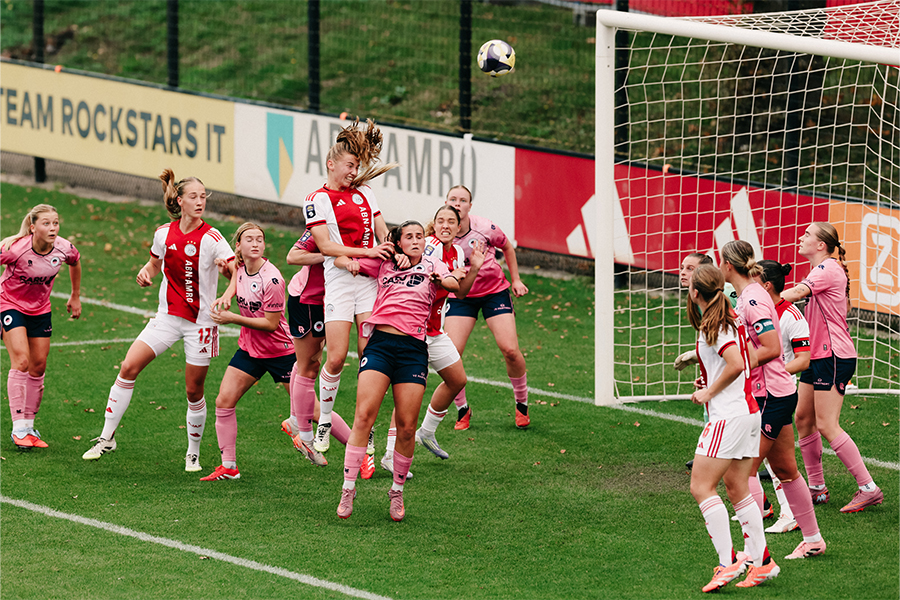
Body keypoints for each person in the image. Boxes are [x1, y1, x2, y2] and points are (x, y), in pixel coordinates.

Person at [82, 169, 235, 471]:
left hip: (201, 324)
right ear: (180, 200)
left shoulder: (213, 238)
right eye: (194, 196)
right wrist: (145, 273)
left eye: (203, 197)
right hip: (167, 317)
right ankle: (106, 437)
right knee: (128, 367)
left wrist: (227, 284)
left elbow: (235, 271)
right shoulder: (164, 233)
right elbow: (154, 263)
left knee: (194, 391)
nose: (200, 201)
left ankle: (193, 452)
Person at [335, 221, 460, 522]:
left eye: (420, 236)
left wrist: (441, 280)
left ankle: (397, 491)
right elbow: (340, 260)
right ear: (399, 242)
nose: (416, 241)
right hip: (380, 345)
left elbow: (455, 283)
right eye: (409, 237)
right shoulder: (384, 262)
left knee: (406, 426)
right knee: (364, 416)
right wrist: (375, 252)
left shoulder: (433, 264)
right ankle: (348, 488)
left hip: (413, 351)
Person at [721, 240, 826, 561]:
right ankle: (813, 539)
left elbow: (769, 348)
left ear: (728, 265)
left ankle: (755, 556)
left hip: (771, 396)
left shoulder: (752, 300)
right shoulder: (750, 295)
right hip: (777, 392)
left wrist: (735, 366)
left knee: (738, 475)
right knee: (785, 469)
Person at [303, 119, 398, 472]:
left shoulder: (365, 193)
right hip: (340, 284)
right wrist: (366, 254)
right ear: (332, 164)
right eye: (349, 166)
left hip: (370, 283)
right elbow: (326, 246)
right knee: (337, 357)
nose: (354, 172)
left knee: (368, 357)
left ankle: (366, 426)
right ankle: (324, 420)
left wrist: (389, 246)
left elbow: (380, 227)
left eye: (357, 166)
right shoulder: (316, 199)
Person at [685, 264, 778, 592]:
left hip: (729, 417)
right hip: (748, 413)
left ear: (696, 293)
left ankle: (729, 562)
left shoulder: (717, 324)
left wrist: (710, 391)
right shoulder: (726, 318)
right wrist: (709, 377)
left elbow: (738, 363)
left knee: (701, 487)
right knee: (738, 488)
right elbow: (733, 360)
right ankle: (763, 562)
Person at [782, 222, 883, 513]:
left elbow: (798, 292)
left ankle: (868, 488)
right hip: (817, 355)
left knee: (827, 423)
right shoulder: (822, 270)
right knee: (803, 418)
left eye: (807, 235)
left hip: (833, 356)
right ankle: (816, 487)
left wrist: (762, 299)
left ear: (821, 245)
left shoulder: (828, 269)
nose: (801, 238)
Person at [199, 223, 303, 480]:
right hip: (250, 351)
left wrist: (232, 317)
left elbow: (270, 324)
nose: (255, 244)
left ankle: (360, 452)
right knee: (224, 401)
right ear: (239, 246)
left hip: (281, 352)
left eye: (260, 239)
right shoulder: (240, 265)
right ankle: (229, 466)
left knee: (310, 411)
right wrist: (226, 295)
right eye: (250, 239)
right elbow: (236, 277)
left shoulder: (273, 279)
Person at [443, 185, 530, 430]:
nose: (458, 203)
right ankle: (462, 409)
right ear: (447, 202)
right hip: (461, 296)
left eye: (463, 200)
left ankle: (521, 404)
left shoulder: (485, 228)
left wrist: (516, 279)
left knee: (510, 350)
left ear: (470, 206)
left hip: (494, 292)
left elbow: (507, 246)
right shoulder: (439, 233)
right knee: (451, 355)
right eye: (453, 199)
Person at [405, 205, 484, 462]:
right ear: (435, 224)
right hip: (415, 333)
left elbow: (459, 292)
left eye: (452, 221)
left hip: (436, 332)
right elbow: (421, 279)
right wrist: (446, 277)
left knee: (457, 380)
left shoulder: (459, 251)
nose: (446, 225)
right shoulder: (431, 246)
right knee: (406, 398)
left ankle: (426, 433)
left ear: (459, 227)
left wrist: (473, 269)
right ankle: (388, 455)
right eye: (441, 221)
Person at [1, 204, 82, 449]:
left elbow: (75, 263)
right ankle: (18, 430)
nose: (53, 228)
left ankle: (28, 428)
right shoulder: (15, 249)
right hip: (10, 304)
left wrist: (75, 295)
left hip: (40, 309)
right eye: (46, 223)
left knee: (38, 366)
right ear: (33, 227)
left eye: (55, 223)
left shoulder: (64, 248)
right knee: (22, 361)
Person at [282, 230, 352, 466]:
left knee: (310, 362)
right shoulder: (321, 227)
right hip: (308, 299)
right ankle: (305, 437)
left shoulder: (360, 230)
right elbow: (293, 256)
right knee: (309, 367)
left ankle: (294, 419)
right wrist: (329, 256)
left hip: (331, 301)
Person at [758, 259, 811, 533]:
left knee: (758, 457)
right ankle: (764, 507)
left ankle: (788, 514)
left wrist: (773, 371)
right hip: (757, 391)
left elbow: (803, 360)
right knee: (774, 459)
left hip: (778, 393)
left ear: (766, 285)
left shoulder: (791, 315)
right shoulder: (755, 311)